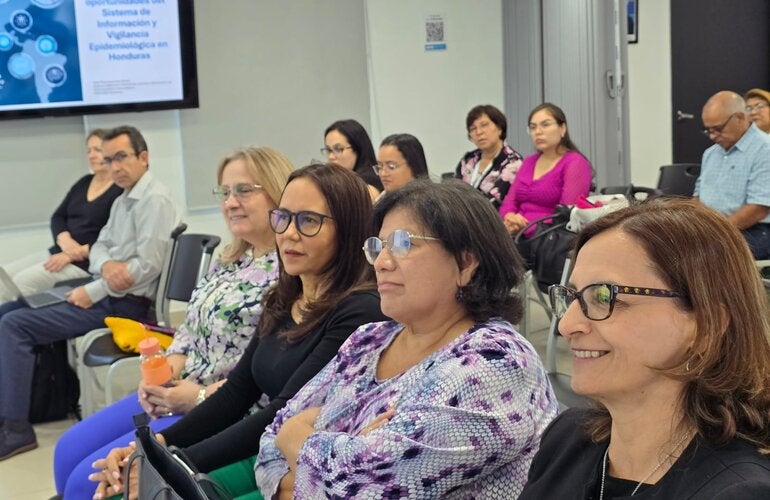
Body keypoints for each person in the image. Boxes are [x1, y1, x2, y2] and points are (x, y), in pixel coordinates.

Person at [90, 163, 388, 499]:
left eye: (308, 221)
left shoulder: (359, 310)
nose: (289, 232)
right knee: (110, 484)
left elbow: (281, 411)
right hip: (262, 443)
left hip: (294, 461)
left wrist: (172, 462)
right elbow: (237, 390)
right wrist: (155, 447)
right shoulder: (286, 295)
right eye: (284, 217)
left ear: (348, 230)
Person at [255, 180, 558, 498]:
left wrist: (295, 438)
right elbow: (268, 448)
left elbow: (362, 491)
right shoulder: (369, 340)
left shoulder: (494, 362)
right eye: (379, 246)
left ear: (466, 263)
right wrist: (339, 455)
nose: (382, 263)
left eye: (403, 244)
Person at [52, 146, 294, 499]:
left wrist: (193, 396)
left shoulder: (289, 272)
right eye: (224, 192)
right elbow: (189, 332)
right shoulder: (231, 259)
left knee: (85, 484)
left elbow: (268, 383)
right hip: (179, 389)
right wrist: (164, 371)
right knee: (68, 450)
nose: (230, 202)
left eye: (244, 190)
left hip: (221, 408)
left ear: (278, 193)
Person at [519, 198, 770, 499]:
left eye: (603, 296)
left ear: (707, 327)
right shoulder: (567, 438)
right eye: (571, 296)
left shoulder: (738, 491)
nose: (566, 325)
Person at [0, 125, 181, 461]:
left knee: (14, 326)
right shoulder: (125, 197)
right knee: (10, 309)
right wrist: (108, 264)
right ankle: (5, 411)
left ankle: (16, 428)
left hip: (124, 305)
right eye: (109, 159)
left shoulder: (153, 200)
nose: (114, 167)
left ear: (144, 157)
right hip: (107, 290)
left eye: (122, 157)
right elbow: (100, 247)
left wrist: (95, 287)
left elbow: (143, 269)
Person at [0, 129, 122, 302]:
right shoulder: (84, 182)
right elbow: (58, 217)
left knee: (24, 282)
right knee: (3, 278)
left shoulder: (120, 191)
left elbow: (114, 237)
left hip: (85, 262)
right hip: (59, 251)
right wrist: (64, 239)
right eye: (88, 151)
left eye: (97, 150)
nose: (91, 155)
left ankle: (22, 325)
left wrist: (74, 253)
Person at [695, 90, 770, 259]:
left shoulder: (765, 149)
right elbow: (697, 197)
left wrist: (715, 233)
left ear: (740, 118)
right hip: (716, 227)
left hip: (753, 229)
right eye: (708, 130)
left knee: (705, 256)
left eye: (718, 129)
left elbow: (759, 208)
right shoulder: (711, 153)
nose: (713, 136)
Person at [499, 103, 593, 237]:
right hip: (516, 234)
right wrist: (509, 217)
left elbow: (566, 216)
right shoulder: (529, 162)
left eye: (545, 124)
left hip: (549, 239)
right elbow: (510, 201)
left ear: (562, 128)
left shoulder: (575, 163)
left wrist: (524, 227)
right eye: (533, 127)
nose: (538, 131)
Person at [454, 104, 523, 208]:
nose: (479, 132)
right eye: (473, 128)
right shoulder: (468, 159)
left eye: (484, 125)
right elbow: (453, 193)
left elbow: (495, 202)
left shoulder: (513, 162)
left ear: (499, 127)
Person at [323, 119, 383, 198]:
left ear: (357, 149)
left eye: (338, 149)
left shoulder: (368, 184)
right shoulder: (337, 182)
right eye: (328, 150)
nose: (331, 157)